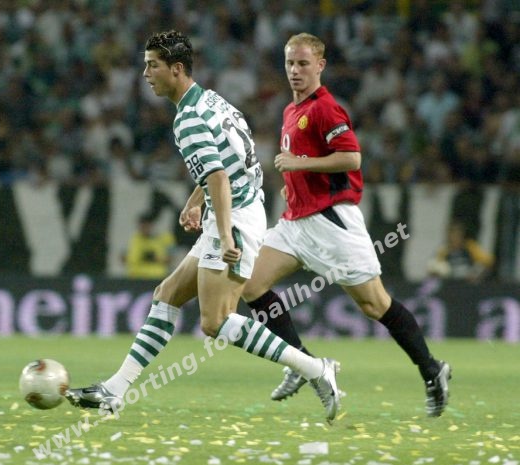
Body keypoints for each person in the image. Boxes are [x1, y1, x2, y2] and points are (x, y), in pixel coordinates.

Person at [65, 30, 341, 422]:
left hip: (235, 218)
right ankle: (115, 389)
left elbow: (219, 177)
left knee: (216, 322)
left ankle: (315, 369)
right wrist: (197, 201)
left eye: (153, 66)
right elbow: (231, 162)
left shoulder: (188, 119)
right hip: (241, 209)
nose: (145, 74)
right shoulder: (212, 101)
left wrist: (225, 234)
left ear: (176, 69)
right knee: (167, 295)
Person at [240, 33, 451, 417]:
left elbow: (351, 158)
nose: (295, 70)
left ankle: (431, 369)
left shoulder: (326, 108)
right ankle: (302, 363)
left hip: (332, 222)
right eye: (290, 63)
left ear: (320, 65)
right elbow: (306, 164)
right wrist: (294, 186)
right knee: (251, 284)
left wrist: (300, 165)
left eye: (303, 63)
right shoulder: (291, 110)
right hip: (295, 223)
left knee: (375, 304)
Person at [427, 221, 494, 281]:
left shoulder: (470, 247)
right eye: (450, 236)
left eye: (456, 235)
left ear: (462, 236)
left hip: (469, 283)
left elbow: (488, 262)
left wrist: (475, 273)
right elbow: (435, 268)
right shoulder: (443, 251)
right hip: (452, 284)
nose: (453, 239)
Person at [124, 212, 176, 280]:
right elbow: (126, 257)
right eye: (142, 226)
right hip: (136, 277)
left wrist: (154, 258)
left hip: (156, 278)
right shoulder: (134, 240)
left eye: (147, 225)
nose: (144, 228)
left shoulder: (163, 239)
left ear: (151, 225)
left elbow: (170, 259)